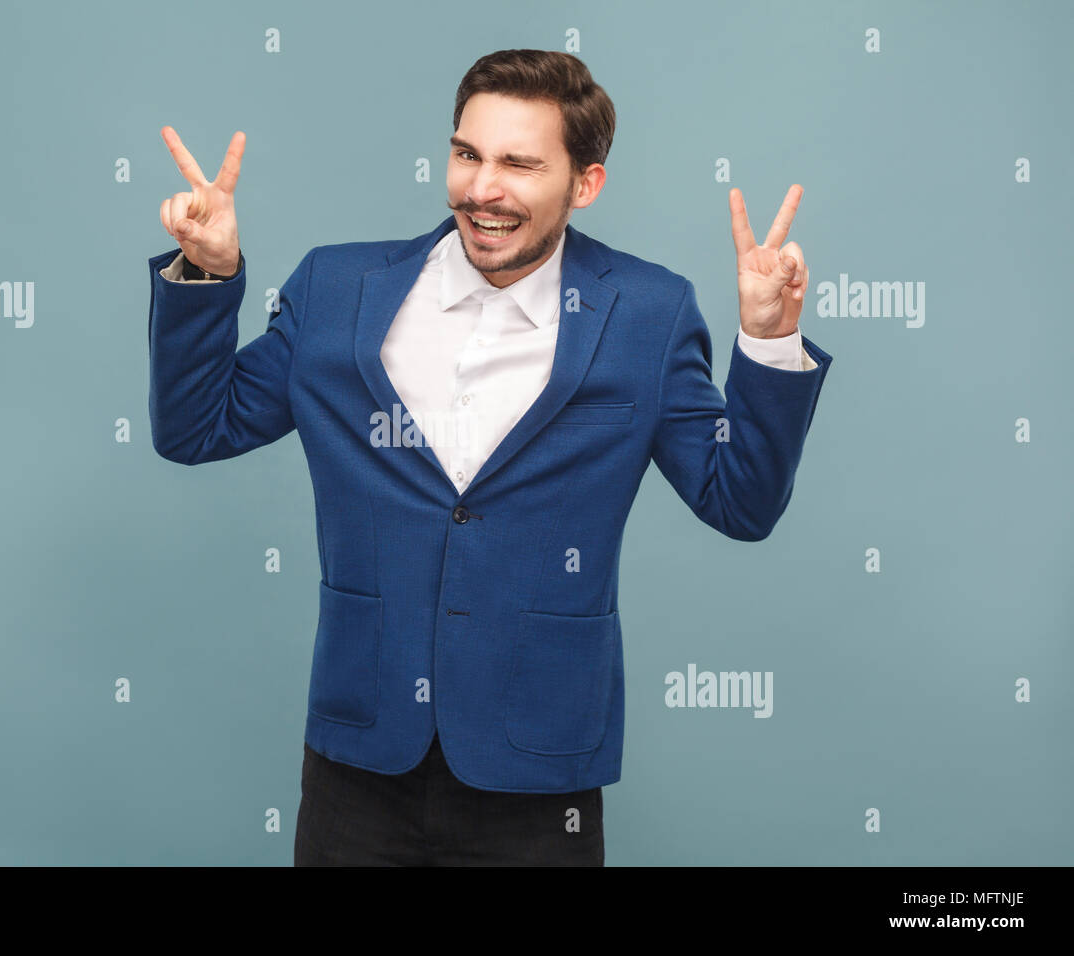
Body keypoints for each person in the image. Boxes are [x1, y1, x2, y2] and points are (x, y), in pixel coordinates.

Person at [147, 49, 832, 866]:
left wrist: (769, 338)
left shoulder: (647, 313)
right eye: (468, 155)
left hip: (538, 769)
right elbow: (195, 428)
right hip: (359, 754)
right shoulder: (336, 288)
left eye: (519, 164)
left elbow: (741, 503)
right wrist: (208, 273)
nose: (482, 189)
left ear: (586, 184)